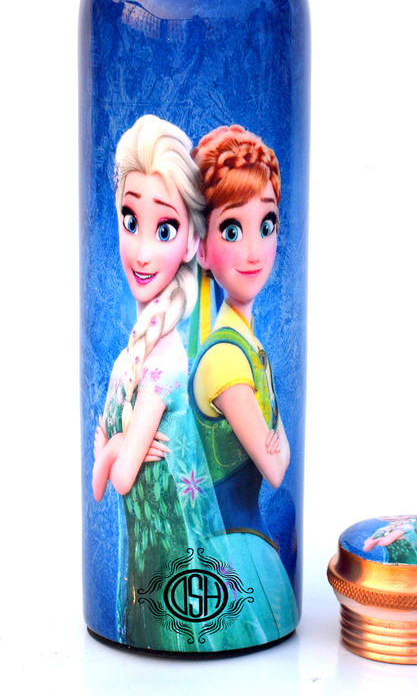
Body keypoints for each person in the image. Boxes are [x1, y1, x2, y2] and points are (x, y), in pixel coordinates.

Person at [92, 114, 222, 650]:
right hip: (143, 558)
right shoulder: (132, 353)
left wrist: (114, 449)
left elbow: (119, 477)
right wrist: (117, 450)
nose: (142, 251)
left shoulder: (165, 357)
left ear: (191, 240)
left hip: (170, 558)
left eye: (164, 229)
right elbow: (99, 481)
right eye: (130, 220)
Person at [188, 124, 298, 640]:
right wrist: (279, 443)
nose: (254, 251)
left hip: (252, 552)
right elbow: (274, 466)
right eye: (232, 230)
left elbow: (278, 453)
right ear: (203, 248)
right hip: (231, 562)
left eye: (266, 224)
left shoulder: (247, 345)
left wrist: (278, 444)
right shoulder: (226, 359)